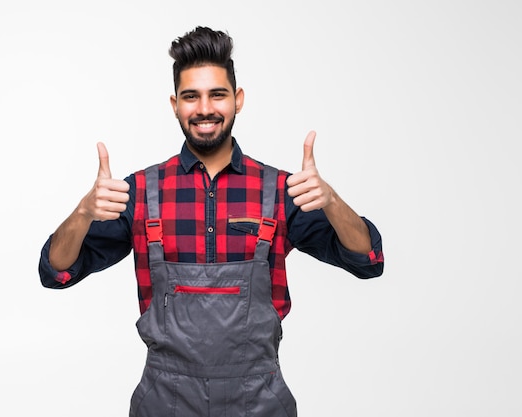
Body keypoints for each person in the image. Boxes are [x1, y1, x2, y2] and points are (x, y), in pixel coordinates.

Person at [39, 26, 384, 416]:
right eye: (191, 96)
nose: (204, 108)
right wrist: (83, 212)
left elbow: (367, 259)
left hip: (259, 400)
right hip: (165, 399)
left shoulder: (279, 190)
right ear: (174, 104)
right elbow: (56, 270)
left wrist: (332, 200)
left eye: (217, 94)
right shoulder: (141, 193)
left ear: (237, 99)